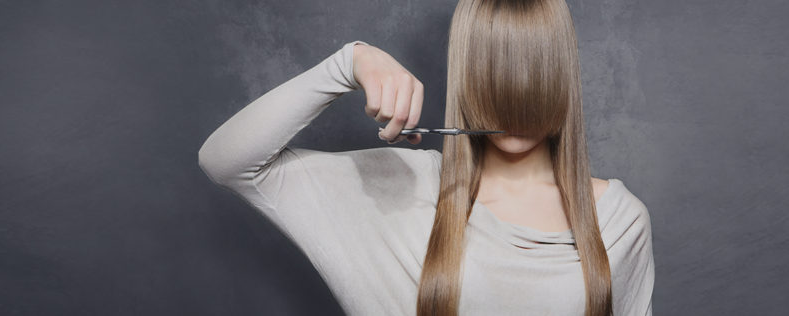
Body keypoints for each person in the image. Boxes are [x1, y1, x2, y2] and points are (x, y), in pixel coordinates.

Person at [198, 0, 654, 315]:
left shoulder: (619, 222)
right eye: (491, 70)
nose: (513, 95)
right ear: (464, 75)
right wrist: (349, 63)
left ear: (563, 78)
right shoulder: (403, 186)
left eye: (533, 70)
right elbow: (226, 162)